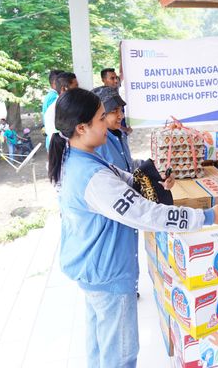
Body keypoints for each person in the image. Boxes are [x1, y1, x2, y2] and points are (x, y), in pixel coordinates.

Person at [48, 88, 218, 368]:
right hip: (108, 273)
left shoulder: (79, 157)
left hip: (92, 269)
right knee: (121, 354)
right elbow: (145, 214)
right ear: (82, 127)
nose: (112, 122)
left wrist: (154, 179)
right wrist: (205, 217)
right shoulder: (91, 176)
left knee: (101, 344)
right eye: (102, 118)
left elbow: (123, 176)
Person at [92, 86, 143, 297]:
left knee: (129, 249)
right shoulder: (99, 143)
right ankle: (123, 288)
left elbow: (127, 165)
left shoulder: (119, 135)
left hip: (126, 204)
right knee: (117, 253)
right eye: (114, 112)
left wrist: (149, 170)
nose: (120, 115)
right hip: (113, 209)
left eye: (121, 110)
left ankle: (131, 286)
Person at [44, 72, 79, 149]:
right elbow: (58, 141)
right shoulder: (54, 111)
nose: (79, 91)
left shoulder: (70, 106)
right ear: (64, 89)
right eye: (75, 87)